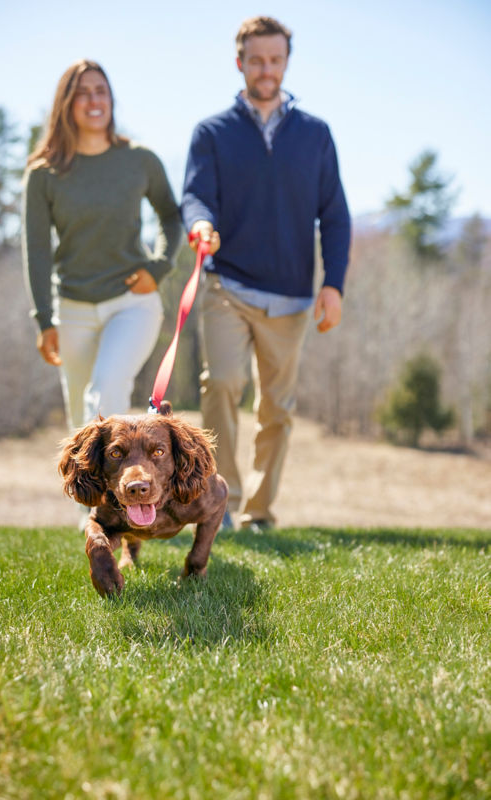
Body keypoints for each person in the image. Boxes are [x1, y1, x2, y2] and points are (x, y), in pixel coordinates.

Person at [182, 16, 351, 532]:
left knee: (277, 407)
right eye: (256, 60)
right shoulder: (212, 132)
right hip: (226, 284)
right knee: (223, 385)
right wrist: (201, 223)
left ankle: (259, 511)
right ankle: (222, 502)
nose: (266, 69)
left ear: (285, 63)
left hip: (293, 297)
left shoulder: (315, 134)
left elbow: (335, 213)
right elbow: (195, 195)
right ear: (240, 62)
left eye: (275, 60)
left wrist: (334, 284)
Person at [22, 59, 183, 432]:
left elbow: (171, 218)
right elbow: (37, 251)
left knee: (107, 391)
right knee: (82, 424)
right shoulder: (43, 174)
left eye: (101, 91)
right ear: (66, 103)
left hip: (132, 303)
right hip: (73, 310)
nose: (93, 100)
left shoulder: (139, 160)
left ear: (110, 99)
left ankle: (122, 491)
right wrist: (45, 319)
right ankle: (89, 493)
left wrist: (158, 267)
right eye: (82, 93)